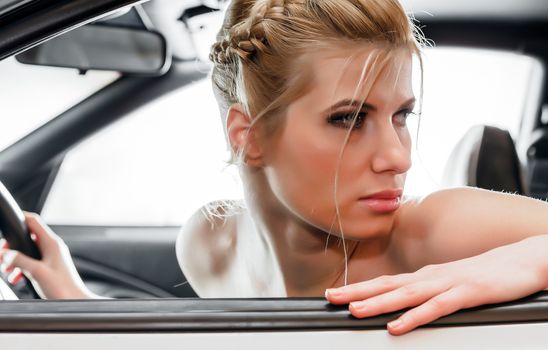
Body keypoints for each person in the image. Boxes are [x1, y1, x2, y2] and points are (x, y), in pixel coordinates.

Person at [1, 0, 548, 336]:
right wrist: (77, 304)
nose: (398, 157)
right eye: (350, 119)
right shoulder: (210, 244)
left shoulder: (436, 232)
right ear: (250, 136)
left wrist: (526, 264)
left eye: (402, 115)